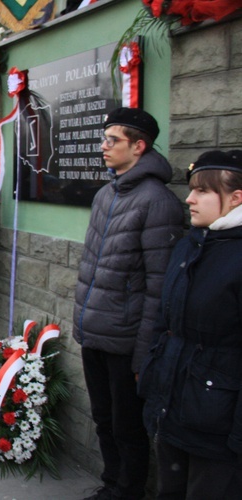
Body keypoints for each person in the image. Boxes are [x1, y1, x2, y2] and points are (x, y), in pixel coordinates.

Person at [73, 107, 184, 500]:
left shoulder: (158, 202)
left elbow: (160, 288)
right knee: (104, 419)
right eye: (103, 139)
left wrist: (144, 355)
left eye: (112, 140)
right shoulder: (106, 193)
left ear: (139, 146)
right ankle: (111, 484)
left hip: (126, 341)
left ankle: (127, 491)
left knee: (126, 426)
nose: (103, 147)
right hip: (95, 332)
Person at [139, 150, 242, 499]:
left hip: (216, 423)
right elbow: (164, 323)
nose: (189, 198)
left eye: (201, 191)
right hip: (173, 409)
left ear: (235, 198)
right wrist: (152, 375)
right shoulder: (189, 245)